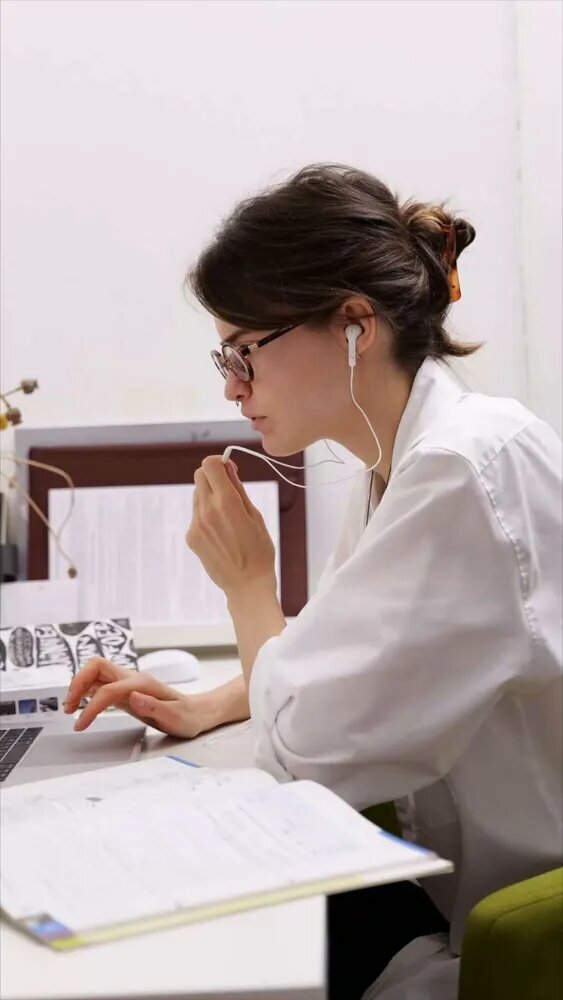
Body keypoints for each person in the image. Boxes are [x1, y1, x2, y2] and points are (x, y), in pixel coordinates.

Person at [66, 164, 563, 1000]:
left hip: (508, 940)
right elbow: (349, 649)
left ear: (353, 326)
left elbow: (305, 757)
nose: (231, 386)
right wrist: (212, 703)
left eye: (244, 351)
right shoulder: (404, 457)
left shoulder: (458, 472)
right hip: (452, 887)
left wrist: (246, 586)